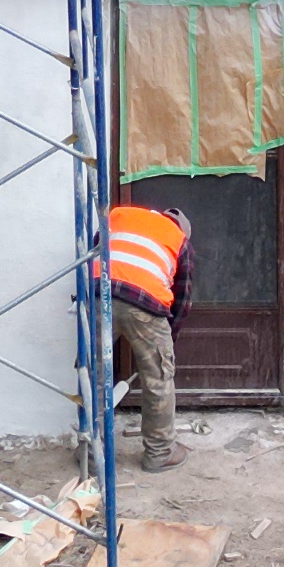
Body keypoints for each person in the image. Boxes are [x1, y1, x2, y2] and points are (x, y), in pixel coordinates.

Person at [98, 200, 193, 473]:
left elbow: (95, 250)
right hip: (145, 303)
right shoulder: (179, 239)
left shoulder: (120, 215)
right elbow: (182, 299)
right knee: (158, 379)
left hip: (97, 294)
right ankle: (160, 453)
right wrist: (167, 344)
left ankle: (92, 455)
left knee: (93, 375)